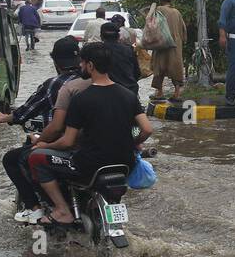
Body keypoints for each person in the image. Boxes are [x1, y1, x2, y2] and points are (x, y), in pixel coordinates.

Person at [28, 42, 152, 227]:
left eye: (82, 62)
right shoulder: (129, 95)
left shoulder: (80, 100)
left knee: (36, 158)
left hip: (91, 165)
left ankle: (62, 210)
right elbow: (147, 129)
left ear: (91, 65)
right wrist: (132, 143)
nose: (80, 66)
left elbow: (67, 141)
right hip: (125, 163)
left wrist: (46, 145)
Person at [0, 35, 84, 223]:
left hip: (68, 148)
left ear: (56, 62)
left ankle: (36, 208)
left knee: (13, 159)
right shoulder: (100, 85)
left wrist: (6, 118)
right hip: (100, 150)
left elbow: (32, 114)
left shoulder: (58, 85)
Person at [148, 0, 187, 102]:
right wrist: (182, 40)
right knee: (176, 67)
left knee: (158, 67)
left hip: (161, 43)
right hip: (175, 44)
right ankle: (177, 93)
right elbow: (183, 28)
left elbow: (151, 23)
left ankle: (159, 92)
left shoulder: (159, 10)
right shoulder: (177, 12)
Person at [98, 20, 142, 99]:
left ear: (101, 36)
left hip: (107, 94)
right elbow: (137, 73)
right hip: (130, 91)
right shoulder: (129, 50)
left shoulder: (98, 51)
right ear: (118, 36)